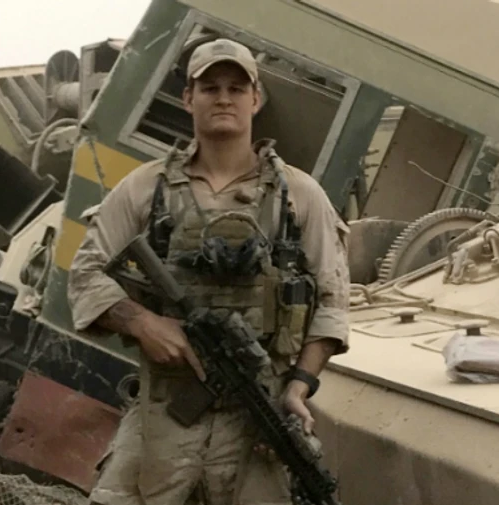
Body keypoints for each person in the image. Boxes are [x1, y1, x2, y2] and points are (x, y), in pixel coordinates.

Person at [67, 37, 350, 505]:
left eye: (236, 89)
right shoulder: (146, 189)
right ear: (188, 98)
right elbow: (85, 275)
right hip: (165, 413)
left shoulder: (299, 196)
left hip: (258, 410)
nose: (223, 98)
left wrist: (298, 389)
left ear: (255, 100)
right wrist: (144, 323)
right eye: (210, 88)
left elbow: (333, 302)